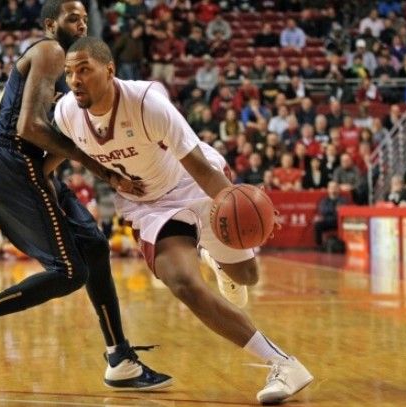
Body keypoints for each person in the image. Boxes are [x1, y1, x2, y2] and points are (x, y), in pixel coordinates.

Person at [53, 37, 313, 404]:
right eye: (68, 73)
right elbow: (66, 152)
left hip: (191, 182)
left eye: (84, 70)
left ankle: (215, 257)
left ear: (109, 70)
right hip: (150, 205)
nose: (74, 80)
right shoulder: (66, 112)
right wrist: (108, 177)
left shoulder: (147, 104)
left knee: (247, 276)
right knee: (182, 282)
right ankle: (283, 364)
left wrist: (243, 209)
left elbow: (201, 169)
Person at [0, 0, 170, 390]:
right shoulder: (49, 51)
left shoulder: (71, 76)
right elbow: (28, 128)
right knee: (70, 272)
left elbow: (64, 137)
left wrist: (65, 177)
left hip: (25, 164)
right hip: (9, 157)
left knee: (94, 245)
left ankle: (120, 358)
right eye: (72, 18)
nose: (81, 24)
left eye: (84, 18)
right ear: (49, 24)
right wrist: (105, 172)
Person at [313, 181, 347, 247]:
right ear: (328, 189)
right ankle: (319, 246)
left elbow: (341, 211)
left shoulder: (343, 200)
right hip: (327, 221)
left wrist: (331, 210)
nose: (333, 189)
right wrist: (334, 209)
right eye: (331, 187)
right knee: (317, 225)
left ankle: (343, 245)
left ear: (338, 189)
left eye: (335, 187)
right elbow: (323, 210)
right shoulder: (324, 200)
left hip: (339, 222)